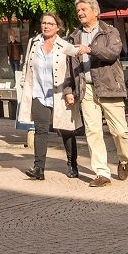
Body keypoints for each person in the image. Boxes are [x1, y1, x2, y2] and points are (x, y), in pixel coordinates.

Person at [74, 0, 128, 187]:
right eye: (78, 11)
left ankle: (124, 159)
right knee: (93, 131)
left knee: (120, 132)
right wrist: (69, 89)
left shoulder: (110, 31)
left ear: (95, 12)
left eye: (84, 9)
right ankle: (101, 173)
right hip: (87, 89)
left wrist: (89, 50)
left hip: (109, 87)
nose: (81, 13)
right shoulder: (75, 35)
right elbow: (70, 64)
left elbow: (112, 54)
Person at [16, 13, 81, 180]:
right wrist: (24, 83)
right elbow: (27, 66)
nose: (46, 26)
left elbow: (72, 66)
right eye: (44, 23)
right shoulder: (34, 42)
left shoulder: (64, 44)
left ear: (57, 27)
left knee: (66, 129)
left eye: (50, 23)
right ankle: (39, 168)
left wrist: (71, 91)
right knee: (41, 130)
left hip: (59, 94)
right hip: (38, 93)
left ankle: (72, 163)